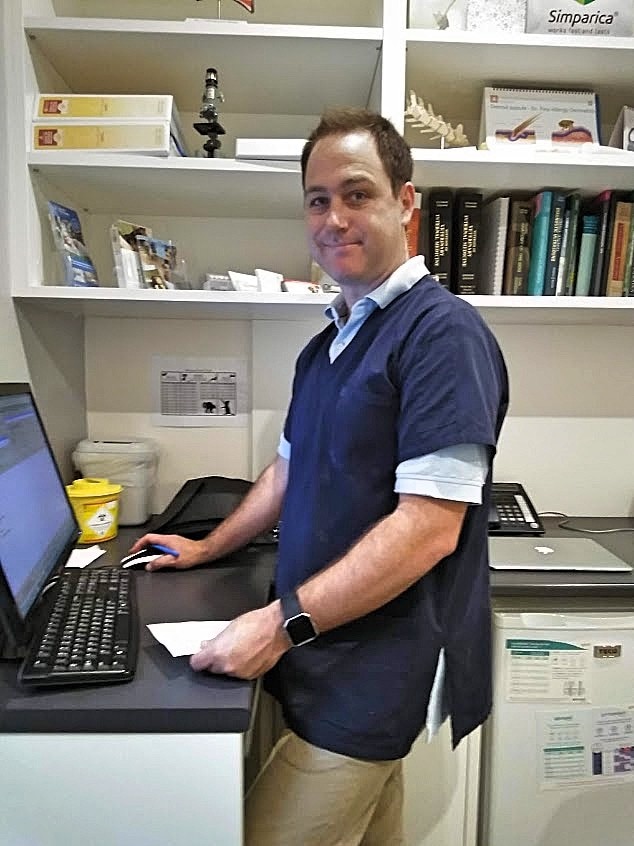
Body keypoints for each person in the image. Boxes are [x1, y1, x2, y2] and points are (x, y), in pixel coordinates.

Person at [131, 107, 509, 845]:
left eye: (357, 193)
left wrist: (276, 626)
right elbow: (287, 469)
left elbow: (428, 531)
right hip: (320, 653)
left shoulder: (441, 334)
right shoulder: (329, 343)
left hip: (373, 669)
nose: (334, 217)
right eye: (317, 198)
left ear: (406, 203)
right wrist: (209, 547)